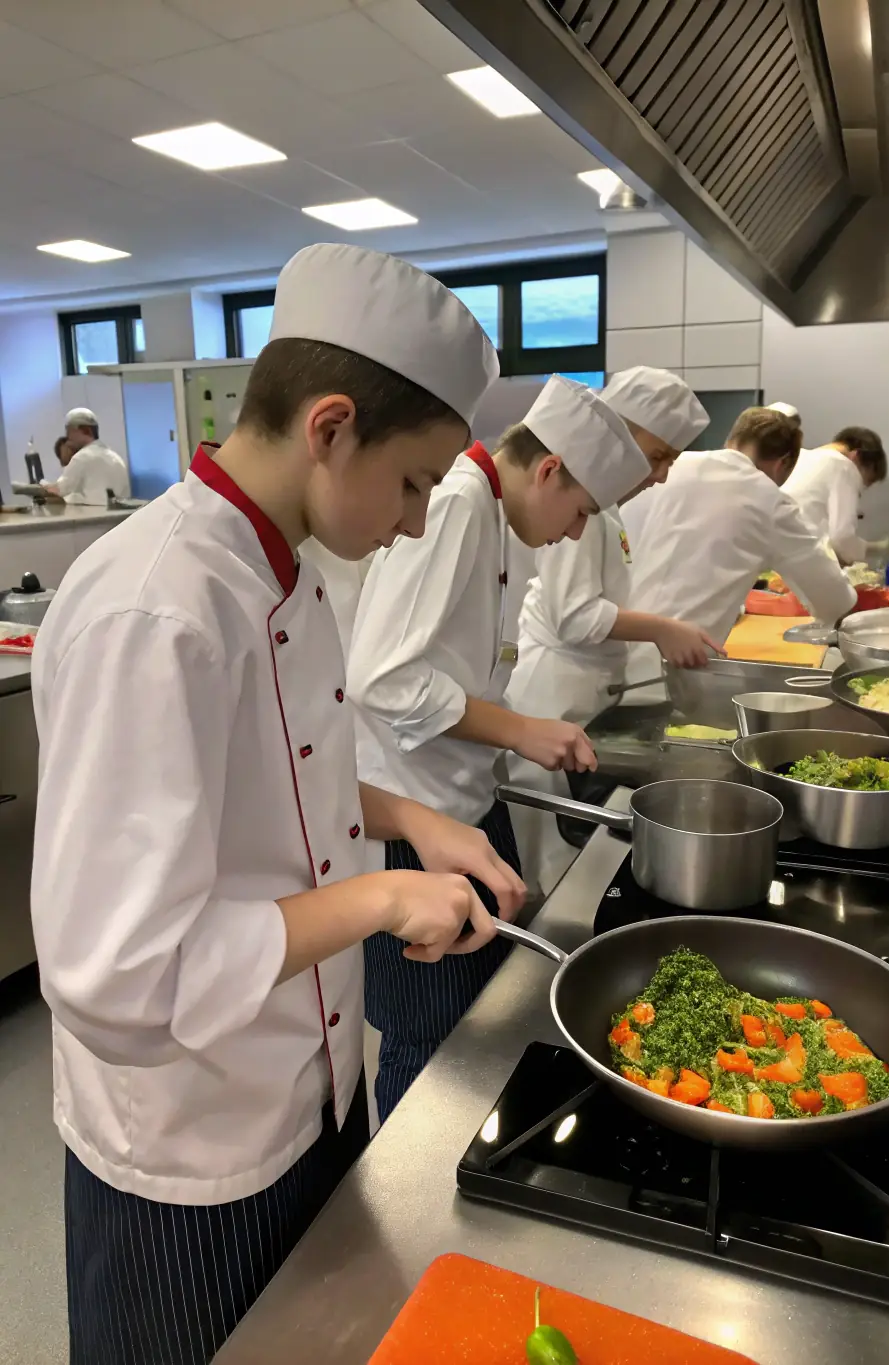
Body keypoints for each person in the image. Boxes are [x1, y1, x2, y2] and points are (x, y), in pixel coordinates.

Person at [31, 241, 527, 1365]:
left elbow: (263, 781)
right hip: (193, 1149)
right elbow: (120, 977)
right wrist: (383, 900)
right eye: (410, 483)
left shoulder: (282, 568)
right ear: (330, 425)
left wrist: (407, 819)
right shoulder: (156, 614)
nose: (412, 522)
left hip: (311, 1080)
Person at [347, 375, 650, 1121]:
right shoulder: (455, 506)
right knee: (427, 1037)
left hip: (463, 804)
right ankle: (405, 1204)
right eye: (580, 512)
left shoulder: (489, 513)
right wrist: (518, 730)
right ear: (548, 470)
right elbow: (382, 680)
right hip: (413, 825)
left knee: (470, 1023)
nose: (579, 533)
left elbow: (461, 669)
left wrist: (522, 732)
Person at [503, 367, 716, 893]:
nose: (663, 474)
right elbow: (574, 616)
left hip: (577, 698)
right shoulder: (582, 503)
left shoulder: (604, 507)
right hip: (551, 698)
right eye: (661, 455)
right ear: (618, 430)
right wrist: (662, 629)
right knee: (544, 868)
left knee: (561, 859)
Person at [627, 406, 857, 681]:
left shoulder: (670, 467)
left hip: (611, 652)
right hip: (672, 673)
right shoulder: (767, 497)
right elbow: (835, 600)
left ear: (731, 440)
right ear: (782, 463)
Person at [783, 425, 888, 564]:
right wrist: (878, 548)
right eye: (863, 482)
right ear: (855, 456)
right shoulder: (843, 466)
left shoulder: (800, 457)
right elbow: (841, 538)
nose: (860, 491)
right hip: (800, 562)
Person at [41, 406, 131, 505]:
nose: (68, 436)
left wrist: (41, 485)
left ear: (86, 430)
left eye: (69, 430)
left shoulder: (82, 457)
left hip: (95, 517)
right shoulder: (116, 458)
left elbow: (58, 490)